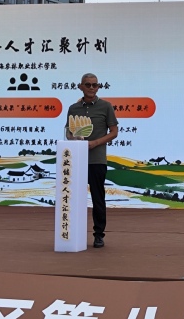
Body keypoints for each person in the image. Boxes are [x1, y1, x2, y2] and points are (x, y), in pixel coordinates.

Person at [65, 73, 119, 248]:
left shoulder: (106, 106)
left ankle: (99, 235)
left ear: (98, 87)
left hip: (97, 160)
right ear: (80, 86)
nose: (91, 88)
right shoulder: (73, 108)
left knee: (98, 198)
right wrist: (74, 139)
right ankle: (74, 233)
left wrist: (95, 143)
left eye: (94, 85)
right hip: (76, 160)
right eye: (87, 84)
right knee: (74, 198)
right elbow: (68, 132)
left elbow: (114, 132)